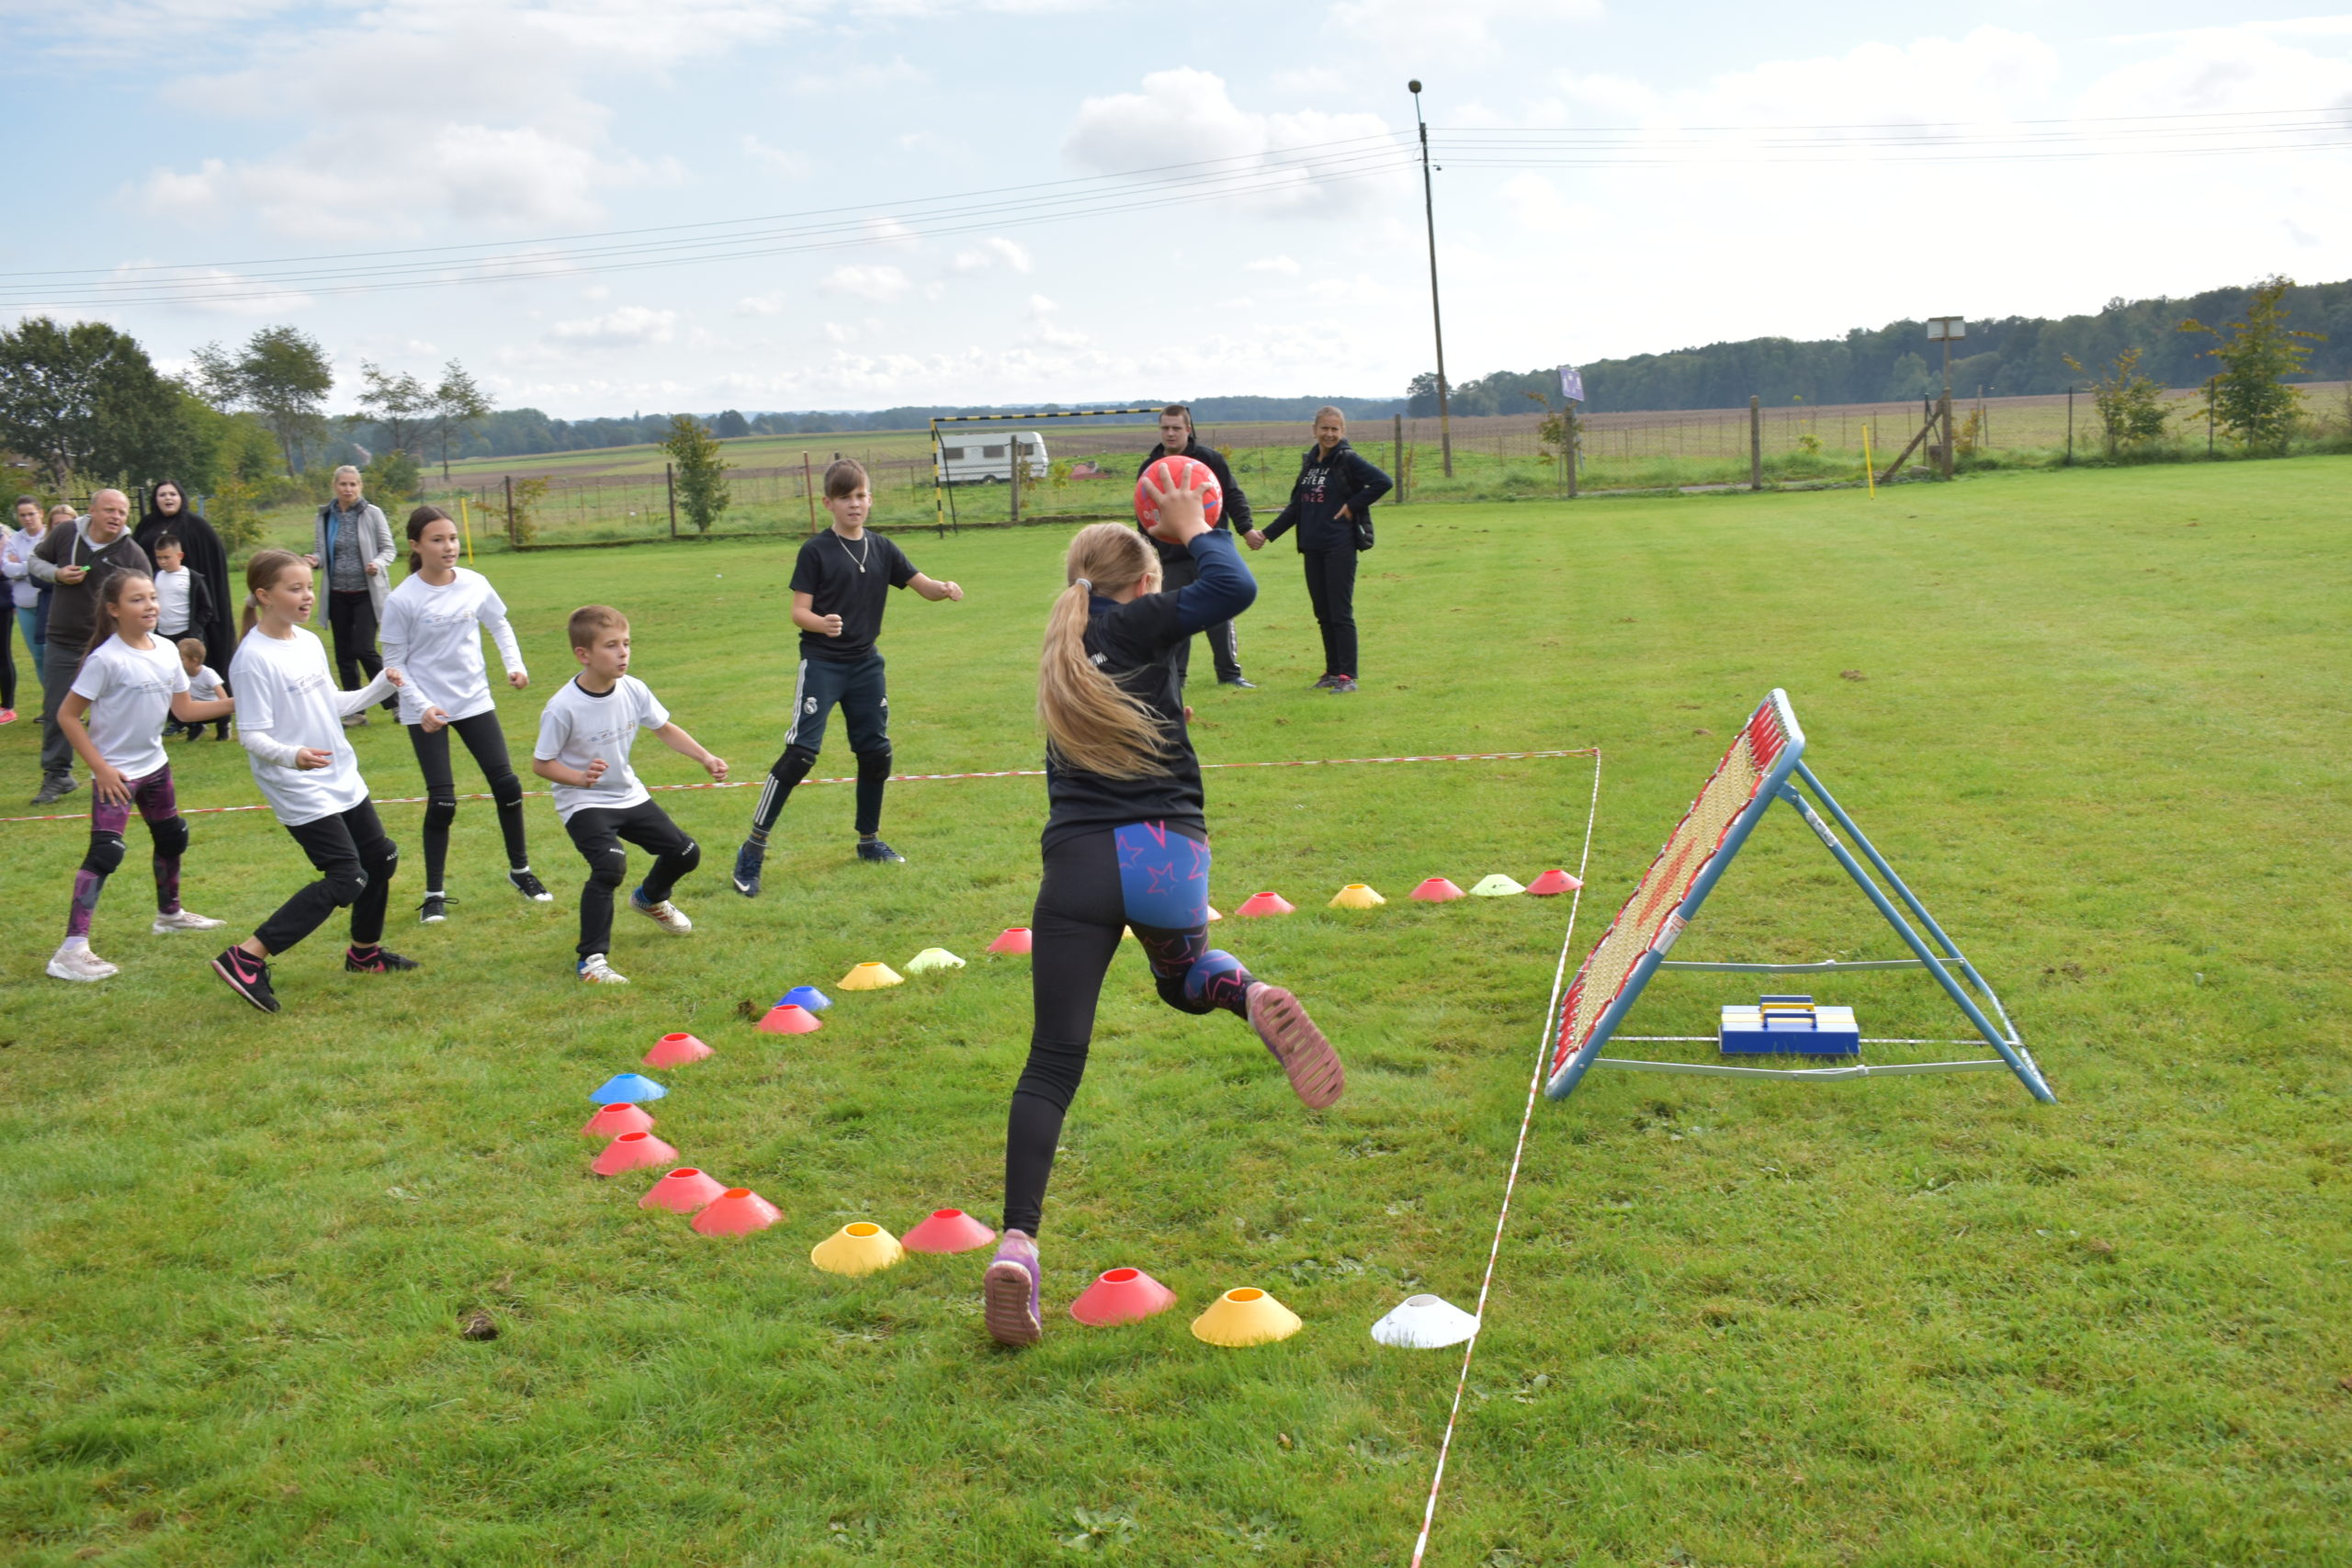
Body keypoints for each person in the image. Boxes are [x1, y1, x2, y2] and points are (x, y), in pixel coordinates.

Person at [980, 478, 1345, 1349]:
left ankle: (1019, 1242)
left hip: (1076, 869)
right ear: (1146, 586)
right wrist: (1198, 526)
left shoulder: (1067, 648)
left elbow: (1173, 601)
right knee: (1183, 978)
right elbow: (1235, 590)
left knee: (1052, 1062)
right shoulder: (1143, 622)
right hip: (1164, 856)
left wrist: (1169, 546)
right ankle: (1246, 994)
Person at [729, 457, 963, 895]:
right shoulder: (815, 551)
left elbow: (922, 585)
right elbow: (799, 610)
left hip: (866, 665)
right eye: (845, 497)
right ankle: (753, 849)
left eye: (861, 496)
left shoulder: (883, 548)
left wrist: (945, 590)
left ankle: (869, 841)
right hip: (823, 664)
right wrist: (821, 623)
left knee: (876, 753)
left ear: (870, 499)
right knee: (801, 754)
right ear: (828, 503)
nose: (855, 504)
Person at [210, 550, 419, 1015]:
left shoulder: (306, 642)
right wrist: (294, 756)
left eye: (308, 587)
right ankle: (246, 957)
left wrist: (384, 684)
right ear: (264, 596)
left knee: (380, 858)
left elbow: (334, 705)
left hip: (338, 770)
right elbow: (252, 734)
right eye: (294, 589)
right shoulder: (251, 661)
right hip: (296, 782)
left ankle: (364, 955)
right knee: (347, 875)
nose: (307, 596)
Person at [49, 570, 234, 981]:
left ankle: (169, 915)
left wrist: (238, 703)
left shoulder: (168, 650)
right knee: (106, 854)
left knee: (172, 837)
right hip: (116, 775)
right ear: (114, 609)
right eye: (137, 599)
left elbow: (184, 711)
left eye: (152, 597)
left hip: (155, 767)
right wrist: (100, 769)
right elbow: (67, 715)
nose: (150, 605)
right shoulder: (105, 659)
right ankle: (71, 949)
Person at [533, 604, 728, 986]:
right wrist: (579, 778)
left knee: (686, 852)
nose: (623, 652)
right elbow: (542, 764)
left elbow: (664, 728)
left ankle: (650, 898)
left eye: (626, 643)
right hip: (583, 802)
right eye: (611, 646)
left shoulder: (634, 689)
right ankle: (591, 962)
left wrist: (704, 756)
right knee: (609, 866)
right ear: (583, 655)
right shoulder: (562, 707)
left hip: (628, 794)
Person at [379, 505, 547, 923]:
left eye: (452, 538)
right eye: (437, 540)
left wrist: (515, 665)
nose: (448, 546)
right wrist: (423, 708)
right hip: (425, 709)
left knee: (507, 785)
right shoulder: (402, 600)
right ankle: (434, 894)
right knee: (443, 801)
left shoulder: (475, 583)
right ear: (416, 546)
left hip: (474, 700)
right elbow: (393, 665)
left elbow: (500, 624)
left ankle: (521, 871)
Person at [1244, 407, 1392, 695]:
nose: (1329, 434)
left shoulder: (1347, 459)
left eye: (1335, 429)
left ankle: (1348, 676)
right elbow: (1296, 508)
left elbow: (1383, 482)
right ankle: (1332, 671)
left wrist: (1353, 505)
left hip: (1339, 545)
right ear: (1315, 430)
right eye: (1324, 428)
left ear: (1342, 431)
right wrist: (1266, 535)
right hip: (1312, 547)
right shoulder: (1311, 463)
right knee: (1323, 613)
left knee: (1340, 612)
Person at [29, 490, 151, 804]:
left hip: (110, 645)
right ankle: (57, 775)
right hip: (64, 639)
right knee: (58, 709)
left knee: (117, 713)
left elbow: (147, 600)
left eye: (122, 512)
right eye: (110, 510)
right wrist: (56, 574)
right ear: (92, 511)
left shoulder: (132, 554)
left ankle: (129, 774)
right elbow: (34, 561)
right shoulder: (65, 533)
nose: (116, 517)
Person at [1133, 404, 1253, 689]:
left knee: (1220, 615)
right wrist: (1145, 553)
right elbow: (1143, 512)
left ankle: (1230, 674)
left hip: (1207, 553)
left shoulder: (1209, 461)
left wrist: (1246, 529)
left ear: (1188, 429)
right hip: (1170, 558)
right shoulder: (1150, 467)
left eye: (1176, 428)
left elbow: (1233, 496)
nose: (1170, 433)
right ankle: (1178, 678)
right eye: (1165, 428)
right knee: (1174, 618)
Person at [305, 466, 397, 724]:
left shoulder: (372, 513)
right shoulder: (325, 516)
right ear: (335, 486)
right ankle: (354, 711)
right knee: (344, 654)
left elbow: (389, 549)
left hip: (366, 593)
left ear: (360, 487)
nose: (348, 489)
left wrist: (377, 563)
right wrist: (314, 560)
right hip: (337, 593)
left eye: (353, 484)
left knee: (364, 648)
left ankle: (396, 702)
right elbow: (322, 553)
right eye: (343, 484)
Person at [134, 480, 235, 683]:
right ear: (155, 499)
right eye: (162, 495)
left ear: (181, 497)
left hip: (190, 604)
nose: (168, 498)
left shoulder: (197, 525)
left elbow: (214, 563)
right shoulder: (146, 525)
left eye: (173, 494)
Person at [5, 499, 51, 725]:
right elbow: (6, 568)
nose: (27, 518)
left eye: (31, 513)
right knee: (39, 657)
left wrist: (23, 565)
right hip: (24, 605)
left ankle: (66, 704)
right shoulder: (15, 538)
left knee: (53, 654)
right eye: (22, 515)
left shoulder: (49, 536)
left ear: (41, 513)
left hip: (48, 604)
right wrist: (31, 566)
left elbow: (49, 568)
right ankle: (50, 705)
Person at [0, 496, 34, 726]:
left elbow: (7, 567)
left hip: (1, 599)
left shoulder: (3, 534)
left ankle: (8, 706)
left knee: (2, 653)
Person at [173, 637, 230, 742]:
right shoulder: (180, 674)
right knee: (173, 709)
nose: (178, 662)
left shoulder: (208, 674)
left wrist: (223, 708)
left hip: (212, 709)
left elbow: (223, 697)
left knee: (225, 713)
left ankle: (223, 730)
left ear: (194, 660)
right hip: (196, 710)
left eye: (181, 659)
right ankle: (196, 728)